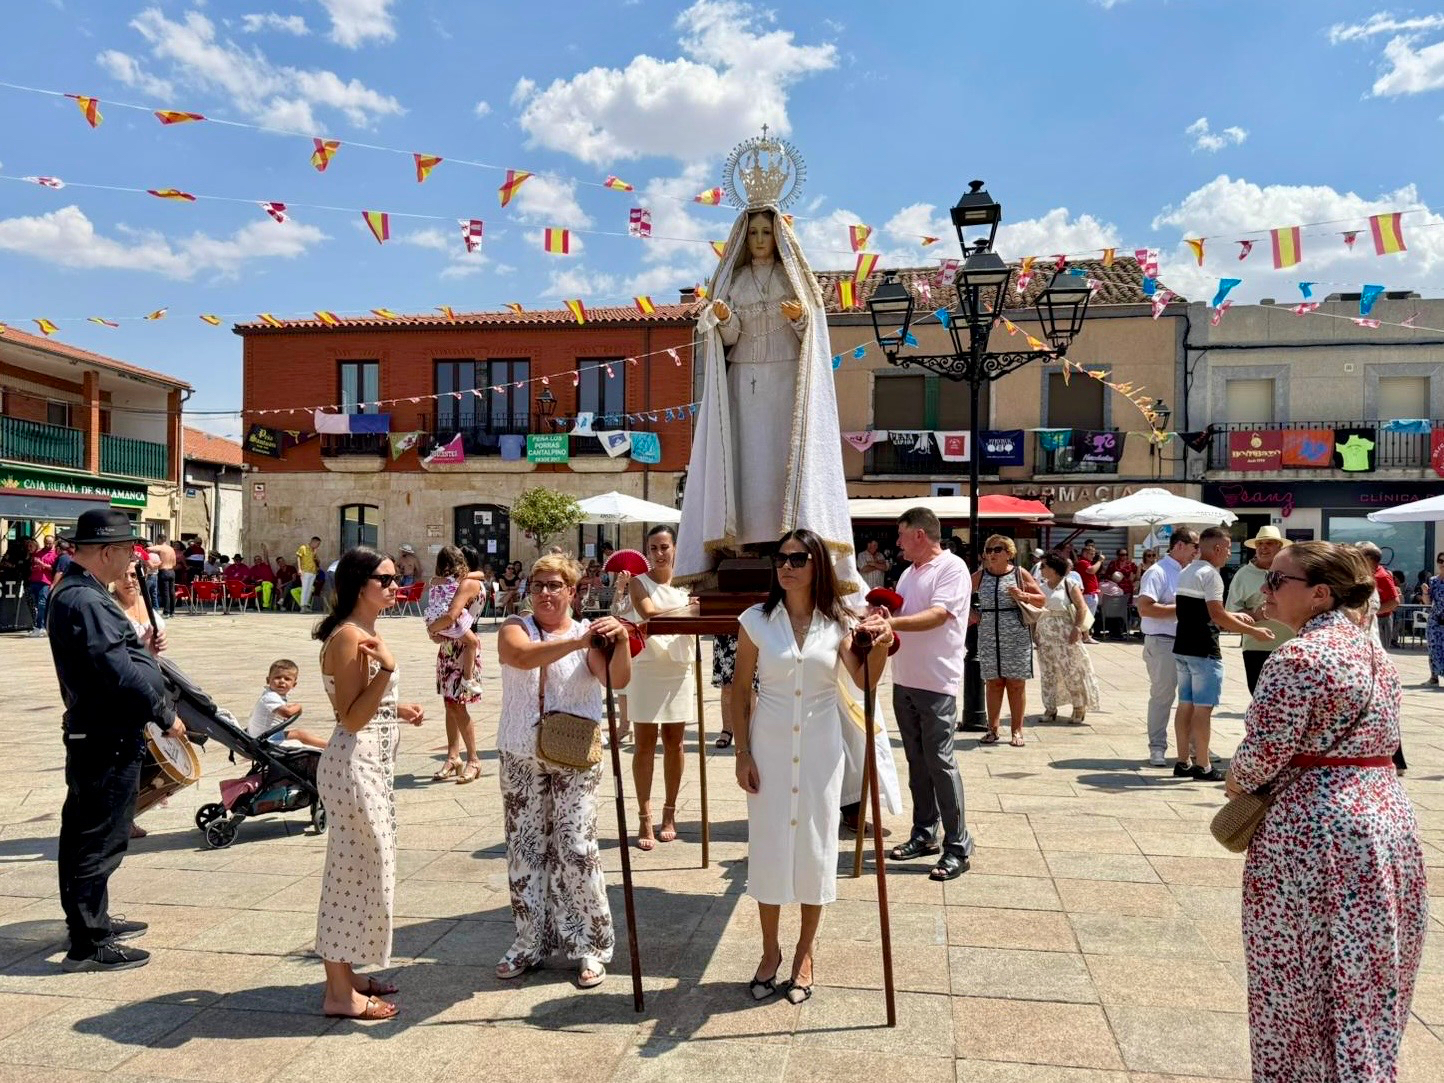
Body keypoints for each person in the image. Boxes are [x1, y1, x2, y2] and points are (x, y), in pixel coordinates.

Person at [1225, 541, 1426, 1081]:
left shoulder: (1298, 656)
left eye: (1276, 580)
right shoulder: (1373, 651)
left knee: (1296, 974)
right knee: (1368, 971)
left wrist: (1236, 781)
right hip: (1385, 815)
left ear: (1319, 594)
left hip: (1314, 829)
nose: (1265, 587)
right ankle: (1363, 1069)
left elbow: (1263, 752)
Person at [732, 529, 892, 1003]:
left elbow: (865, 680)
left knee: (816, 848)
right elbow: (741, 691)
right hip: (770, 746)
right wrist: (742, 752)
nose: (787, 566)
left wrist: (879, 642)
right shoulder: (755, 620)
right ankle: (768, 951)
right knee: (768, 849)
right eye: (780, 558)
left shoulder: (840, 622)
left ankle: (804, 953)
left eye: (798, 558)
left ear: (817, 565)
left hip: (822, 749)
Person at [676, 197, 859, 593]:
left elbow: (811, 332)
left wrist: (800, 319)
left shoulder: (790, 277)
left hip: (785, 381)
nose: (759, 239)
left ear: (778, 237)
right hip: (744, 379)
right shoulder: (736, 280)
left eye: (766, 232)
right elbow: (727, 338)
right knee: (745, 461)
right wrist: (725, 320)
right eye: (754, 232)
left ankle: (787, 540)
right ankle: (745, 541)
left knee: (780, 460)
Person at [46, 510, 181, 971]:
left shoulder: (80, 593)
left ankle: (91, 920)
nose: (131, 560)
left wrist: (141, 652)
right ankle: (90, 941)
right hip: (106, 734)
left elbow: (116, 657)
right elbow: (115, 671)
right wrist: (164, 713)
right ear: (106, 552)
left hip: (97, 730)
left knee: (87, 830)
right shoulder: (84, 599)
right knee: (100, 837)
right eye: (126, 551)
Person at [493, 554, 631, 989]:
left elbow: (616, 680)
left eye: (555, 585)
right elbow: (520, 657)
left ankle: (590, 942)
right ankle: (530, 941)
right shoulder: (516, 625)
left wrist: (622, 640)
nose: (546, 593)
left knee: (576, 847)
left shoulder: (588, 635)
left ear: (574, 591)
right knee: (526, 849)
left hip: (574, 752)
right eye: (539, 586)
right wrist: (579, 641)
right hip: (521, 749)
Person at [313, 547, 425, 1020]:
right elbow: (351, 717)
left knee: (365, 872)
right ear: (361, 585)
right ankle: (338, 992)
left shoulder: (363, 632)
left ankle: (348, 975)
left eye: (396, 577)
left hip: (369, 766)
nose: (395, 585)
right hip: (354, 766)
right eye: (385, 579)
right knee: (352, 875)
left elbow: (359, 701)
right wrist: (390, 670)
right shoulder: (350, 637)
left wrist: (397, 706)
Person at [885, 507, 975, 881]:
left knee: (939, 761)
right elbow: (905, 612)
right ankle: (924, 833)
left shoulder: (951, 569)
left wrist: (890, 621)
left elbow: (939, 615)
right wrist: (882, 611)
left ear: (920, 534)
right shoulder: (909, 572)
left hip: (937, 681)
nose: (898, 542)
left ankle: (958, 845)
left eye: (902, 535)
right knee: (917, 762)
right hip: (905, 678)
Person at [615, 525, 695, 850]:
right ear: (647, 551)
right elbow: (648, 615)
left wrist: (692, 609)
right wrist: (689, 609)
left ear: (675, 548)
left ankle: (669, 812)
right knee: (644, 743)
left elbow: (701, 613)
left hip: (678, 666)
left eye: (665, 547)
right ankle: (644, 814)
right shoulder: (638, 582)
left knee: (675, 743)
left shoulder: (689, 582)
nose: (659, 553)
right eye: (654, 548)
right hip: (648, 666)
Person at [1172, 527, 1273, 781]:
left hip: (1183, 646)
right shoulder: (1211, 575)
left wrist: (1234, 616)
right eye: (1228, 548)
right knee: (1203, 709)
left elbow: (1202, 611)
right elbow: (1217, 616)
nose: (1229, 553)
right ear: (1217, 548)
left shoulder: (1187, 570)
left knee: (1185, 704)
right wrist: (1254, 630)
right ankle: (1203, 765)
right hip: (1205, 649)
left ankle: (1182, 760)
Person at [971, 535, 1045, 747]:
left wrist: (1023, 595)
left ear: (1009, 553)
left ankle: (1017, 731)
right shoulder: (980, 576)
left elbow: (1041, 599)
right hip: (988, 636)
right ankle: (992, 730)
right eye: (988, 550)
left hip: (1016, 635)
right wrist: (971, 613)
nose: (991, 554)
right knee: (993, 683)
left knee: (1015, 684)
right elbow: (957, 595)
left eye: (997, 549)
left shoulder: (1019, 574)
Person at [1136, 531, 1198, 767]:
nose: (1197, 551)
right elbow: (1146, 608)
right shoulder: (1158, 571)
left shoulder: (1191, 571)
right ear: (1179, 545)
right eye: (1194, 545)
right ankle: (1157, 747)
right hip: (1163, 642)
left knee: (1192, 699)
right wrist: (1185, 609)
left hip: (1188, 641)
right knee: (1163, 696)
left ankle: (1195, 746)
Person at [425, 546, 485, 784]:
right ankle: (453, 756)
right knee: (450, 704)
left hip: (461, 648)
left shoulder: (467, 584)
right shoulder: (466, 580)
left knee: (458, 705)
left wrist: (431, 628)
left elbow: (451, 614)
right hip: (450, 646)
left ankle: (473, 759)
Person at [1224, 526, 1295, 694]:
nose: (1263, 547)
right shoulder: (1243, 575)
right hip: (1257, 646)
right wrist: (1254, 615)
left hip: (1290, 645)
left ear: (1280, 547)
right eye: (1260, 544)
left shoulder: (1292, 572)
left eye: (1269, 543)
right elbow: (1230, 613)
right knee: (1260, 698)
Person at [1034, 553, 1100, 724]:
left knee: (1072, 670)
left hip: (1065, 633)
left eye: (1044, 566)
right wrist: (1034, 632)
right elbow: (1036, 610)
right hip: (1045, 633)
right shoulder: (1041, 586)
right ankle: (1050, 707)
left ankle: (1079, 707)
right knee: (1048, 672)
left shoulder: (1069, 584)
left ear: (1054, 569)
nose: (1041, 569)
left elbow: (1081, 607)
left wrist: (1077, 628)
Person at [248, 660, 326, 750]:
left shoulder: (273, 695)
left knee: (299, 734)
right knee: (301, 738)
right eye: (277, 677)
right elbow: (287, 713)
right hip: (265, 740)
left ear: (294, 684)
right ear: (268, 680)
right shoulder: (270, 697)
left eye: (287, 679)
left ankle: (327, 746)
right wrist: (298, 707)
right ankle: (329, 747)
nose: (282, 681)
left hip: (268, 735)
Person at [1357, 542, 1398, 649]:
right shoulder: (1363, 573)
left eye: (1359, 555)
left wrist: (1371, 613)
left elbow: (1394, 601)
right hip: (1365, 620)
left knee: (1378, 652)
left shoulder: (1382, 576)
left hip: (1381, 621)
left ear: (1369, 558)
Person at [26, 534, 57, 637]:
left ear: (53, 543)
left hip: (46, 582)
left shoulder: (55, 554)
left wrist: (42, 565)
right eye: (46, 543)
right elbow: (32, 565)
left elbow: (55, 569)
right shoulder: (38, 552)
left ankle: (41, 626)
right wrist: (34, 566)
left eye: (50, 543)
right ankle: (38, 626)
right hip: (35, 580)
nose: (47, 545)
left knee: (42, 604)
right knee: (36, 605)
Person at [1074, 541, 1101, 643]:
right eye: (1091, 554)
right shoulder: (1083, 562)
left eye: (1094, 554)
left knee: (1089, 616)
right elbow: (1091, 570)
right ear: (1085, 553)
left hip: (1092, 593)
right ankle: (1086, 636)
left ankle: (1086, 635)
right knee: (1086, 616)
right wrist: (1100, 561)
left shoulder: (1087, 563)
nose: (1093, 556)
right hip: (1087, 594)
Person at [1426, 554, 1444, 686]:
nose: (1442, 563)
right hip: (1435, 620)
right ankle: (1434, 676)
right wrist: (1425, 593)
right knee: (1433, 648)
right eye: (1440, 561)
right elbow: (1428, 602)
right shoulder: (1433, 580)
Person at [147, 539, 178, 618]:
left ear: (159, 539)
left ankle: (166, 612)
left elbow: (149, 548)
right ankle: (172, 611)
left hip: (164, 571)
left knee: (165, 592)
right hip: (172, 571)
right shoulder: (171, 549)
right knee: (172, 591)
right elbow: (174, 563)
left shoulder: (160, 547)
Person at [297, 535, 321, 611]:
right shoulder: (303, 548)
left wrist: (315, 554)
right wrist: (299, 569)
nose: (318, 546)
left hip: (313, 571)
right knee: (305, 588)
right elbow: (298, 557)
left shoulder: (313, 550)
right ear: (313, 542)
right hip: (305, 571)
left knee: (309, 589)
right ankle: (302, 606)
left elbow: (317, 561)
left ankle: (306, 605)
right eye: (318, 544)